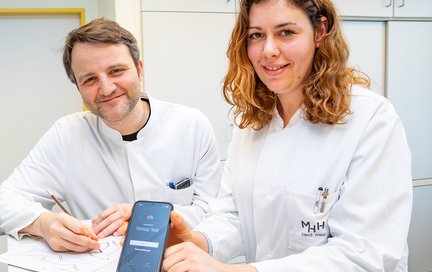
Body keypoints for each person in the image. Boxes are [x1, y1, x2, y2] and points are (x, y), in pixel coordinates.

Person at [160, 0, 413, 271]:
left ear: (320, 32)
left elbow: (362, 253)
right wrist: (198, 240)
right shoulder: (252, 122)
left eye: (286, 33)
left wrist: (239, 270)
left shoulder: (370, 119)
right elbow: (235, 212)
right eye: (256, 35)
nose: (268, 50)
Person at [0, 18, 221, 252]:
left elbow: (212, 212)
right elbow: (0, 204)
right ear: (78, 88)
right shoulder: (67, 135)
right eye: (90, 79)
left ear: (139, 69)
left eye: (116, 71)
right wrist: (44, 223)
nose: (107, 88)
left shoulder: (192, 125)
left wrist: (147, 216)